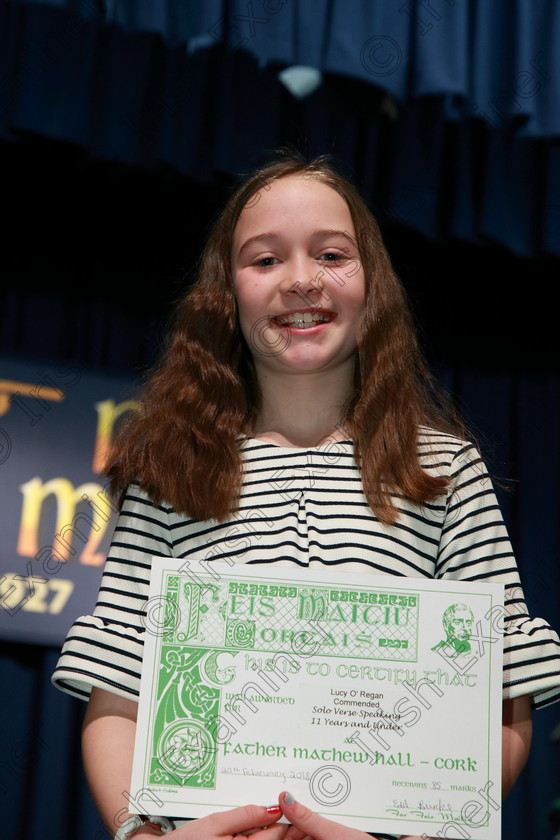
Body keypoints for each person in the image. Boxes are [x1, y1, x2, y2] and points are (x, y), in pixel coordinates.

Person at [52, 150, 560, 839]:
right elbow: (118, 692)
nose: (299, 280)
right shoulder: (171, 470)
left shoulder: (445, 468)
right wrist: (141, 836)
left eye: (331, 255)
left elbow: (504, 695)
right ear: (225, 293)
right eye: (264, 261)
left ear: (371, 284)